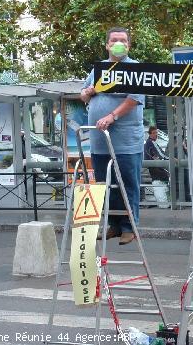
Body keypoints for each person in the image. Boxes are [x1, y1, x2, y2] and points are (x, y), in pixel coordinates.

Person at [80, 27, 144, 245]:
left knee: (127, 182)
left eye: (123, 40)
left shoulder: (135, 69)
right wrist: (88, 93)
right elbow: (83, 94)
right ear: (107, 45)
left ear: (129, 45)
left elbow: (134, 98)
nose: (119, 44)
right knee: (105, 184)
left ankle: (130, 226)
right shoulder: (98, 69)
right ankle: (114, 225)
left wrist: (112, 116)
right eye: (115, 40)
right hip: (99, 141)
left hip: (125, 141)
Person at [144, 126, 170, 208]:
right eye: (154, 133)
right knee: (163, 179)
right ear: (150, 134)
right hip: (156, 168)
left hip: (153, 168)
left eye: (157, 133)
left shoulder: (149, 143)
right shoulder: (152, 143)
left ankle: (163, 202)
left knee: (159, 181)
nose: (156, 135)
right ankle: (164, 203)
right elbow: (161, 154)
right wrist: (170, 159)